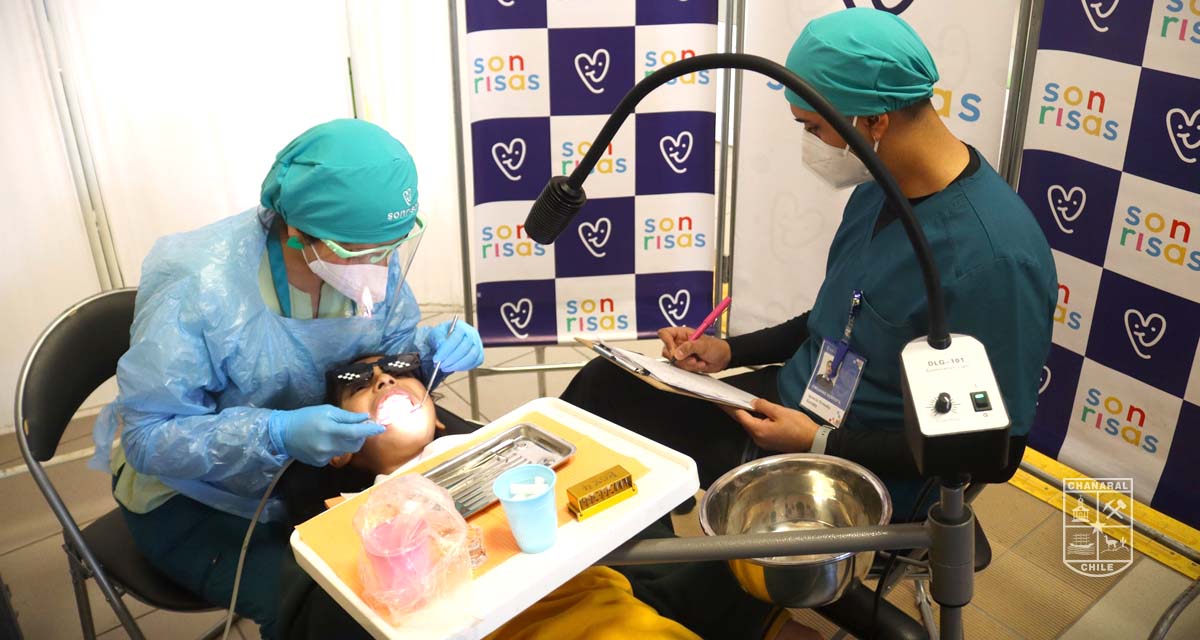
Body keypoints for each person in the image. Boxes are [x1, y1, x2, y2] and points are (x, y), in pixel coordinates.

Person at [560, 8, 1056, 638]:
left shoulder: (993, 259)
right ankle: (622, 578)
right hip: (795, 409)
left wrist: (818, 443)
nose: (810, 144)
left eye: (814, 127)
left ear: (873, 121)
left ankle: (679, 603)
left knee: (700, 563)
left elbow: (997, 452)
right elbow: (833, 319)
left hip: (868, 461)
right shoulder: (877, 189)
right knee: (605, 391)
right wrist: (728, 351)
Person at [91, 119, 486, 638]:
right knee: (334, 605)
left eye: (392, 248)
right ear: (297, 233)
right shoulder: (199, 284)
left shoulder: (367, 254)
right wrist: (274, 433)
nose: (381, 266)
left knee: (466, 528)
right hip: (197, 498)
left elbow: (386, 353)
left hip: (311, 471)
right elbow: (148, 437)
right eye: (363, 253)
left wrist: (427, 352)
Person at [276, 353, 705, 640]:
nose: (384, 378)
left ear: (438, 420)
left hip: (586, 599)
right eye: (357, 384)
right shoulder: (364, 515)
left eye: (399, 369)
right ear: (340, 450)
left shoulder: (512, 445)